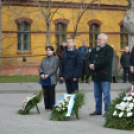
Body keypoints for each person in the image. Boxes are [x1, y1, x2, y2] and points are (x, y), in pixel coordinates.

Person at [87, 33, 114, 117]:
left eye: (100, 39)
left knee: (106, 94)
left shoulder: (109, 49)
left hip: (104, 76)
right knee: (97, 95)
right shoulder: (95, 49)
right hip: (96, 76)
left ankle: (108, 111)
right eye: (97, 39)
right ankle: (98, 110)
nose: (98, 41)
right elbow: (89, 58)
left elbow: (106, 61)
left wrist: (95, 66)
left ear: (105, 40)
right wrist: (90, 65)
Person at [38, 46, 59, 110]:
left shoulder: (56, 59)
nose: (48, 51)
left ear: (52, 51)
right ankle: (47, 107)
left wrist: (48, 74)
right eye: (47, 50)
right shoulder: (44, 59)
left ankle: (52, 107)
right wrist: (41, 73)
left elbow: (54, 68)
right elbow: (40, 67)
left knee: (51, 93)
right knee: (45, 93)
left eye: (49, 50)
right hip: (44, 78)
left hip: (51, 79)